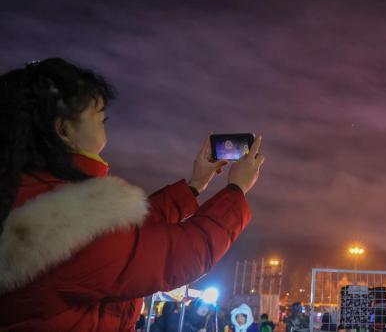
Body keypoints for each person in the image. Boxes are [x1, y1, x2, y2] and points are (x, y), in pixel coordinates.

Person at [0, 58, 265, 331]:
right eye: (91, 105)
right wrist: (236, 190)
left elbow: (128, 236)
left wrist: (194, 186)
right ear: (63, 128)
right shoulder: (63, 226)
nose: (103, 109)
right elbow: (182, 254)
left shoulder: (32, 196)